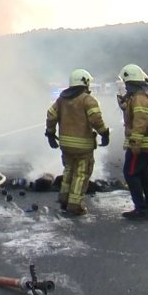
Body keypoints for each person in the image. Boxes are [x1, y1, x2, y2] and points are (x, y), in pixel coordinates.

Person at [45, 68, 110, 216]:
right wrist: (104, 133)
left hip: (65, 144)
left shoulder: (61, 99)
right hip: (83, 146)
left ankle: (64, 198)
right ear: (85, 82)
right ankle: (75, 206)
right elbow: (96, 120)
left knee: (68, 170)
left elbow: (51, 115)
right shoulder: (87, 100)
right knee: (81, 174)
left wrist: (50, 133)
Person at [118, 64, 148, 220]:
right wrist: (123, 103)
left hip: (141, 144)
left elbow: (140, 120)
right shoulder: (145, 94)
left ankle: (142, 210)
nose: (125, 86)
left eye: (126, 83)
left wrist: (135, 142)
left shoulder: (139, 97)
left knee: (130, 173)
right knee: (146, 175)